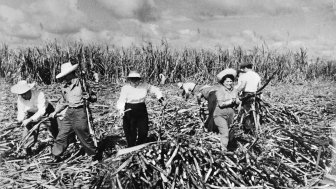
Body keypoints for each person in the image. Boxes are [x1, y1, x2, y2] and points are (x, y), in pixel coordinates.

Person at [49, 61, 98, 162]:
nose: (64, 78)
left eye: (66, 75)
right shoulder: (65, 87)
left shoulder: (82, 84)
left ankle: (93, 154)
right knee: (62, 134)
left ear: (71, 74)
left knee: (83, 135)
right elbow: (63, 101)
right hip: (69, 112)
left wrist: (89, 97)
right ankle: (55, 154)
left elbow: (94, 97)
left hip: (80, 112)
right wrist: (55, 111)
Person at [116, 71, 165, 147]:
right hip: (129, 109)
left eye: (136, 80)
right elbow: (121, 100)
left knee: (144, 129)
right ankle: (131, 146)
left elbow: (155, 90)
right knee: (131, 130)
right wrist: (121, 110)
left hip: (141, 108)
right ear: (129, 80)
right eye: (132, 80)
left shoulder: (144, 86)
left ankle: (141, 145)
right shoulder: (125, 88)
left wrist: (160, 98)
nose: (134, 82)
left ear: (139, 80)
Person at [11, 80, 58, 155]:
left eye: (24, 94)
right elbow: (21, 112)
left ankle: (57, 147)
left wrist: (30, 119)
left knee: (54, 128)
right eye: (20, 94)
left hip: (46, 111)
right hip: (31, 113)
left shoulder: (39, 94)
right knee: (29, 132)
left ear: (29, 90)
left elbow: (42, 111)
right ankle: (27, 150)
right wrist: (20, 120)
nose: (22, 96)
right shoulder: (20, 99)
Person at [213, 68, 240, 151]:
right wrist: (231, 101)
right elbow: (221, 104)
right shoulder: (220, 90)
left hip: (230, 115)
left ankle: (227, 146)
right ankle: (223, 151)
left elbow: (237, 101)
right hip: (220, 114)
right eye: (227, 81)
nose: (229, 83)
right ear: (223, 82)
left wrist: (238, 102)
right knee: (225, 132)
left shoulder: (234, 91)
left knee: (230, 132)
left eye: (230, 81)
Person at [235, 62, 261, 134]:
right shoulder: (257, 75)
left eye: (243, 69)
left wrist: (236, 92)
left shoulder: (245, 76)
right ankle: (252, 126)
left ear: (246, 68)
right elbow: (259, 87)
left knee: (246, 111)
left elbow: (242, 86)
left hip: (247, 95)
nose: (242, 70)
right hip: (254, 94)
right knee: (253, 111)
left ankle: (247, 129)